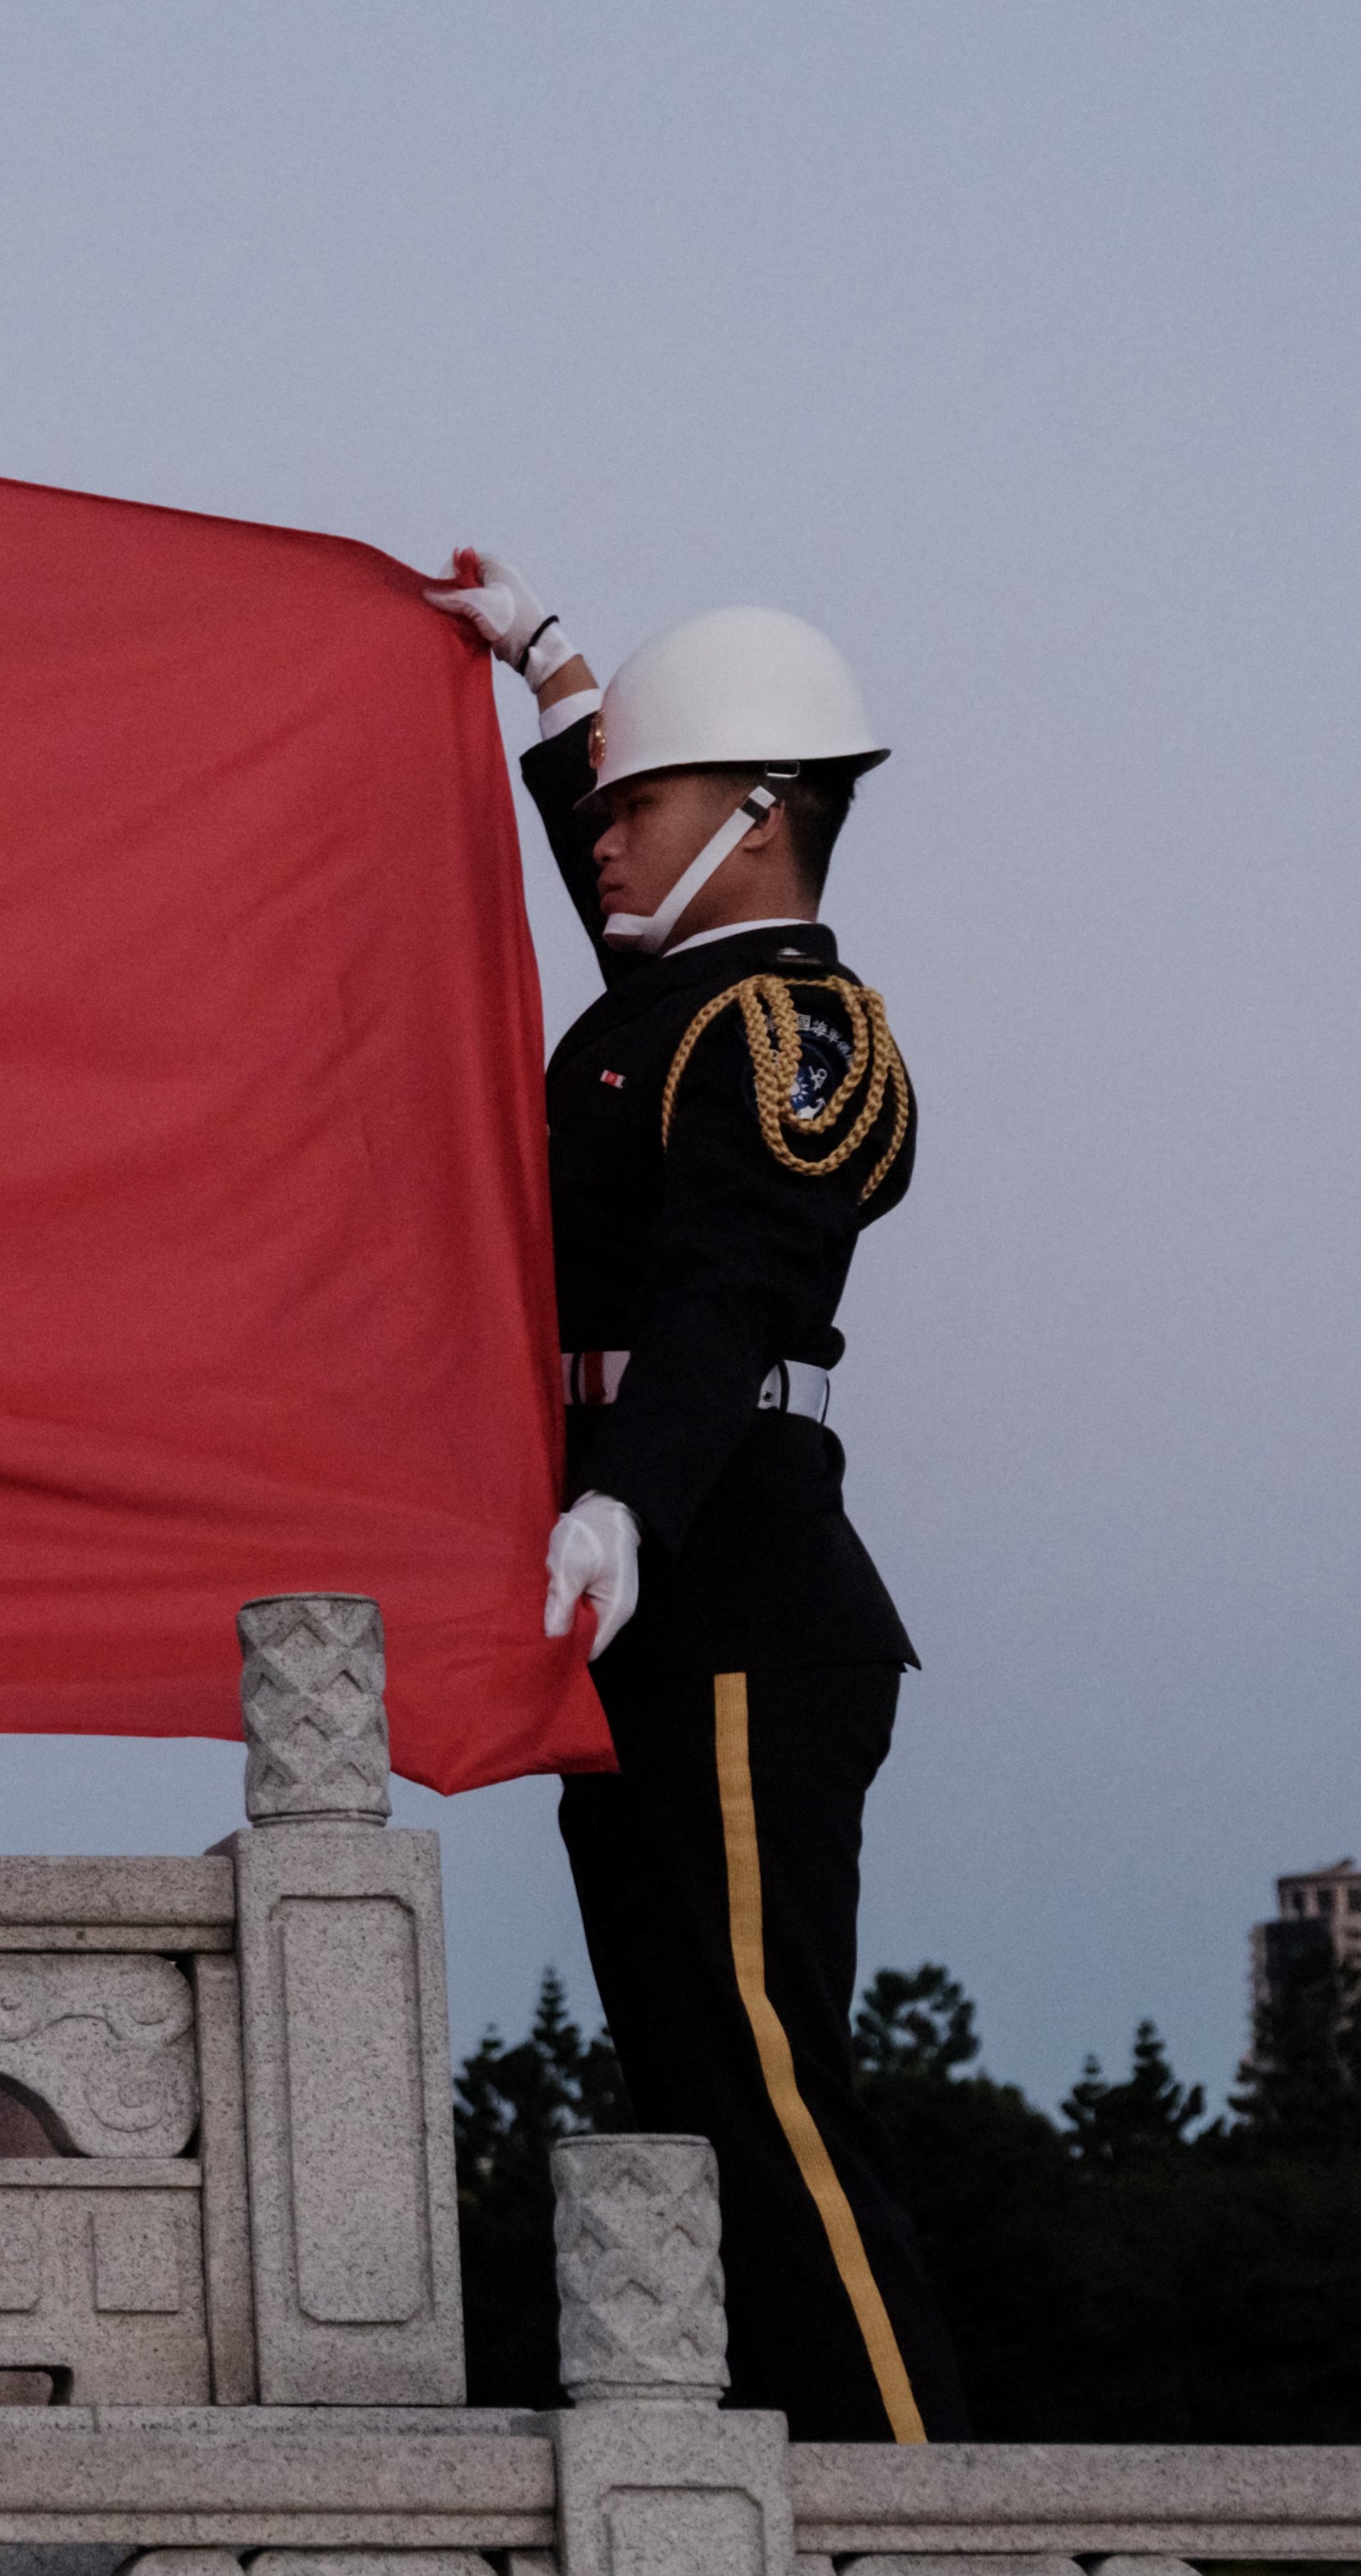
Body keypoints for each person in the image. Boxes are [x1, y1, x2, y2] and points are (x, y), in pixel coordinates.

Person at [427, 553, 968, 2445]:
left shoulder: (787, 1029)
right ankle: (766, 2486)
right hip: (643, 1601)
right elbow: (620, 918)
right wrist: (563, 692)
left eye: (637, 806)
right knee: (676, 2076)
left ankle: (909, 2510)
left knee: (767, 2088)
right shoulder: (663, 1015)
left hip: (731, 1593)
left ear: (755, 823)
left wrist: (629, 1506)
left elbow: (725, 1296)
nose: (597, 837)